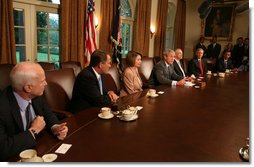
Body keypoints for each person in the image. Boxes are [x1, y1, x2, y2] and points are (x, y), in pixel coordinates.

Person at [0, 62, 68, 161]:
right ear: (28, 87)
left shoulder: (35, 95)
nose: (46, 83)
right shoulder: (2, 106)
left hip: (38, 150)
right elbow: (3, 149)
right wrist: (33, 131)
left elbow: (47, 113)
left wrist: (55, 127)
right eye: (42, 81)